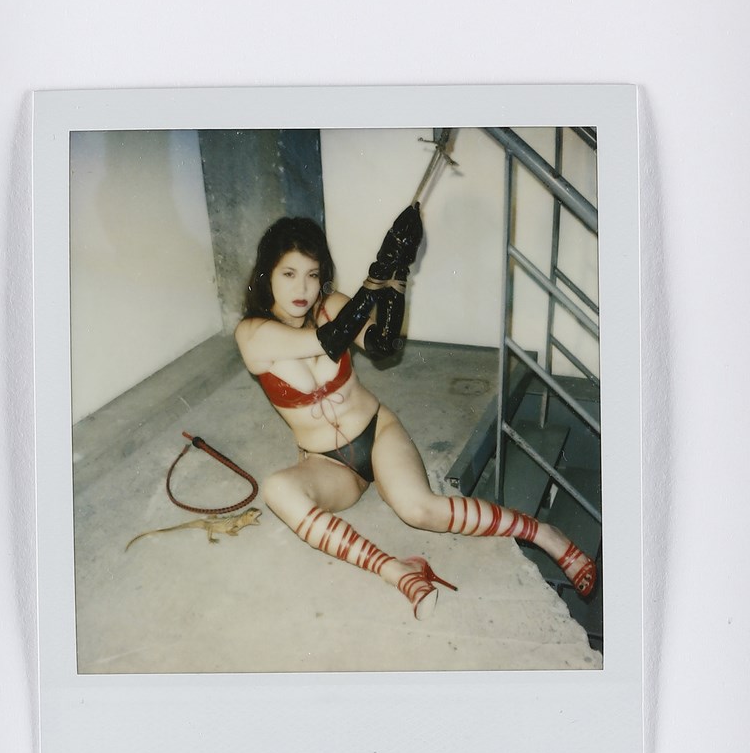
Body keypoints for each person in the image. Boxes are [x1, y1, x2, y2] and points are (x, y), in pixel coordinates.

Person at [233, 208, 597, 620]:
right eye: (289, 273)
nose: (303, 287)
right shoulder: (253, 334)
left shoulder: (331, 306)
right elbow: (330, 341)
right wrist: (375, 277)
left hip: (376, 431)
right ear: (267, 274)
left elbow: (384, 344)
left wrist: (396, 278)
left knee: (419, 510)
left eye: (312, 274)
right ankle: (398, 570)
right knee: (277, 489)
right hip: (326, 463)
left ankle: (544, 533)